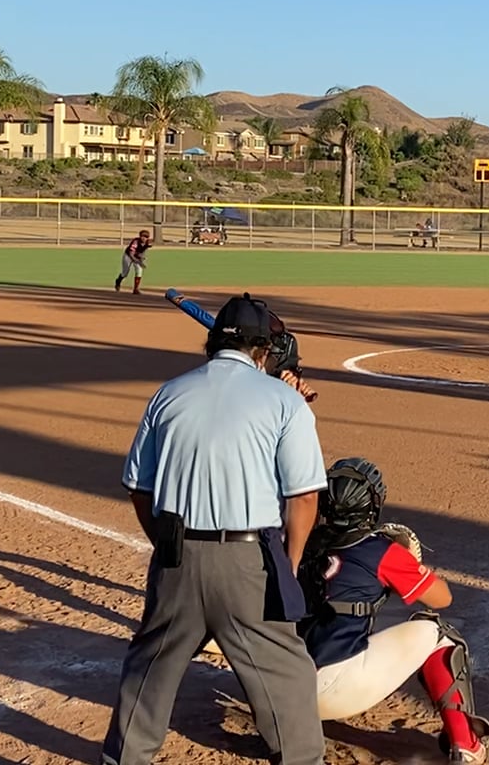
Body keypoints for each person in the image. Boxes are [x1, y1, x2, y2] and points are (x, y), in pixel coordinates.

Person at [101, 294, 329, 765]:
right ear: (262, 350)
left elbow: (138, 488)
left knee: (151, 664)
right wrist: (287, 564)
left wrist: (166, 544)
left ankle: (124, 759)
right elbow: (304, 496)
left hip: (177, 556)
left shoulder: (168, 394)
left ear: (211, 343)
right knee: (285, 673)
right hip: (249, 562)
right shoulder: (285, 401)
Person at [298, 458, 489, 763]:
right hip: (336, 690)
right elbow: (442, 598)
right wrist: (408, 565)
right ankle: (466, 745)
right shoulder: (379, 551)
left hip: (284, 689)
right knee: (437, 633)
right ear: (371, 505)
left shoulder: (299, 543)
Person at [115, 229, 152, 294]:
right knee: (125, 273)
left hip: (136, 256)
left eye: (146, 237)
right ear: (140, 236)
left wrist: (141, 259)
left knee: (139, 270)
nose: (144, 238)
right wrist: (139, 262)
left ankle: (136, 289)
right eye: (142, 236)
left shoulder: (147, 243)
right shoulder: (135, 242)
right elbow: (131, 254)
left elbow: (142, 252)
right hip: (128, 256)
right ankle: (118, 281)